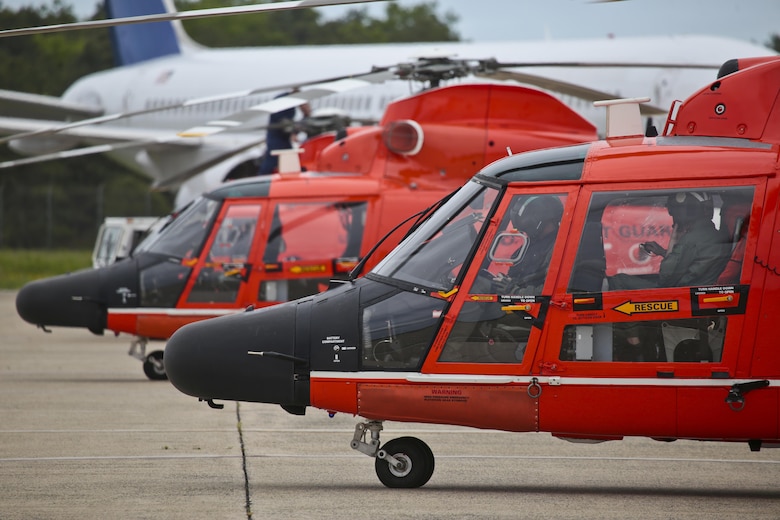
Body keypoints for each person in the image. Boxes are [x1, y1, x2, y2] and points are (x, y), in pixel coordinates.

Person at [613, 191, 730, 289]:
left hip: (682, 294)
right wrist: (663, 252)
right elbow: (690, 260)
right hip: (695, 288)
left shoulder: (690, 239)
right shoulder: (714, 234)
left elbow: (666, 279)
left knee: (619, 279)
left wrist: (674, 240)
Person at [494, 195, 564, 295]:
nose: (524, 231)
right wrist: (505, 282)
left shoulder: (560, 249)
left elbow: (553, 292)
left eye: (526, 225)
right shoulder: (529, 246)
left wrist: (514, 291)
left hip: (531, 307)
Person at [257, 89, 311, 175]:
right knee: (273, 160)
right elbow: (284, 124)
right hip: (277, 139)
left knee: (289, 159)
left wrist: (306, 115)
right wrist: (294, 131)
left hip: (283, 139)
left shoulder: (290, 103)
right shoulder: (284, 101)